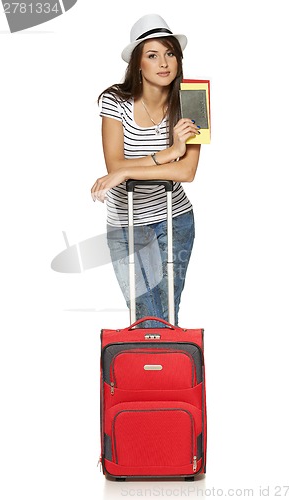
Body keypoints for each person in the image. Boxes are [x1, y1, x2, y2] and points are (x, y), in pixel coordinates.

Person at [91, 14, 201, 325]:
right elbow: (114, 165)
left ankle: (168, 373)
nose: (164, 63)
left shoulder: (192, 101)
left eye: (169, 53)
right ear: (138, 63)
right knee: (146, 316)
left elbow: (187, 172)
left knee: (165, 314)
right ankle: (152, 373)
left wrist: (129, 171)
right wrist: (170, 153)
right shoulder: (115, 101)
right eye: (152, 55)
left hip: (173, 220)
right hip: (126, 225)